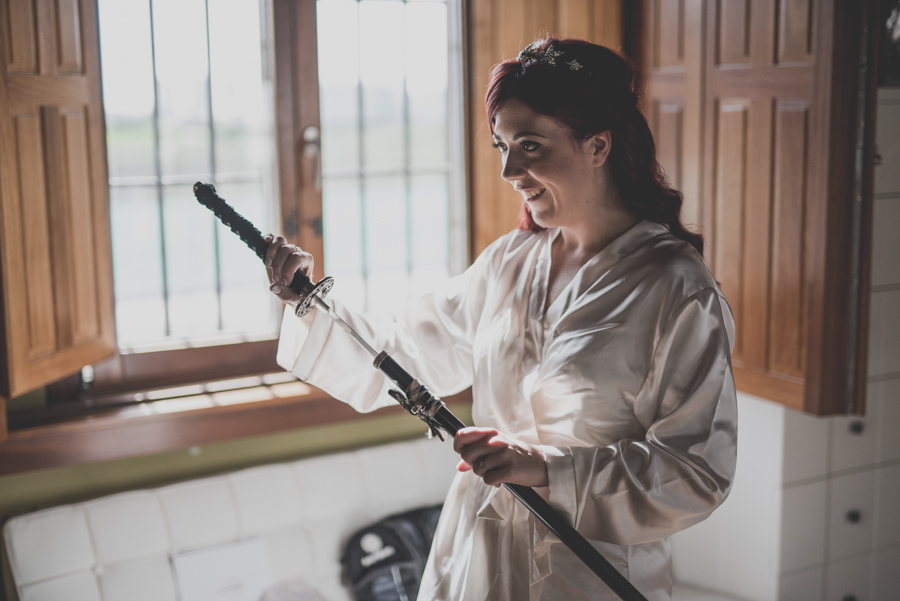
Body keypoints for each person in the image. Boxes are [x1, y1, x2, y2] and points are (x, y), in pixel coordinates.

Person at [265, 37, 737, 601]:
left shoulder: (673, 286)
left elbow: (693, 471)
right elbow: (406, 353)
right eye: (502, 146)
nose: (510, 169)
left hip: (589, 575)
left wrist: (545, 468)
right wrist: (307, 302)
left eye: (530, 145)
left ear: (598, 145)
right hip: (480, 560)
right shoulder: (512, 262)